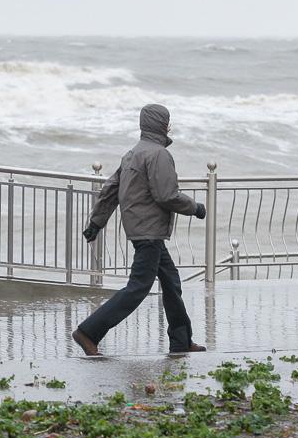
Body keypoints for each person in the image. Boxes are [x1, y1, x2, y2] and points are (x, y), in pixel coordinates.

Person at [72, 103, 207, 356]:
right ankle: (88, 332)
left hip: (142, 229)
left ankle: (181, 340)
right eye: (167, 121)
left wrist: (95, 223)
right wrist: (195, 208)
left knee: (171, 281)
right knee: (138, 288)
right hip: (149, 232)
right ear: (161, 124)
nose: (169, 125)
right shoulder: (159, 155)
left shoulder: (133, 153)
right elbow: (167, 196)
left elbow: (110, 190)